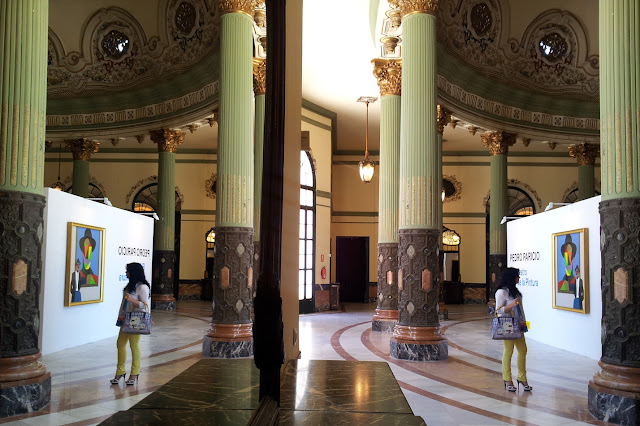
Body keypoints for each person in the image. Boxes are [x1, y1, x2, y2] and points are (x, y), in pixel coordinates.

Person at [111, 262, 150, 386]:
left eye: (127, 271)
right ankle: (120, 371)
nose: (126, 273)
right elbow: (124, 304)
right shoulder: (130, 286)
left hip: (135, 320)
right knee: (120, 344)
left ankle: (134, 373)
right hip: (125, 319)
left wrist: (132, 300)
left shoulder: (142, 287)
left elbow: (144, 306)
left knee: (134, 345)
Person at [495, 267, 532, 392]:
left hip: (518, 323)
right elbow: (498, 311)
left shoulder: (514, 291)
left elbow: (520, 309)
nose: (519, 278)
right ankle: (507, 379)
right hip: (507, 325)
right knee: (508, 351)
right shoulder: (501, 292)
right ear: (511, 277)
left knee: (523, 350)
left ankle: (522, 377)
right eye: (517, 276)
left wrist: (523, 321)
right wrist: (511, 305)